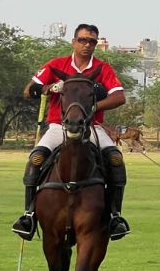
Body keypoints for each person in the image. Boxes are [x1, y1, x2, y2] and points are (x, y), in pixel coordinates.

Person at [12, 24, 130, 241]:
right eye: (83, 40)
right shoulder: (56, 65)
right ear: (74, 42)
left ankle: (115, 216)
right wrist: (49, 88)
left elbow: (119, 97)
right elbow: (29, 90)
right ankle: (28, 215)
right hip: (59, 126)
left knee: (115, 158)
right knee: (36, 158)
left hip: (91, 126)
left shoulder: (102, 69)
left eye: (92, 41)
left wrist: (93, 107)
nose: (87, 45)